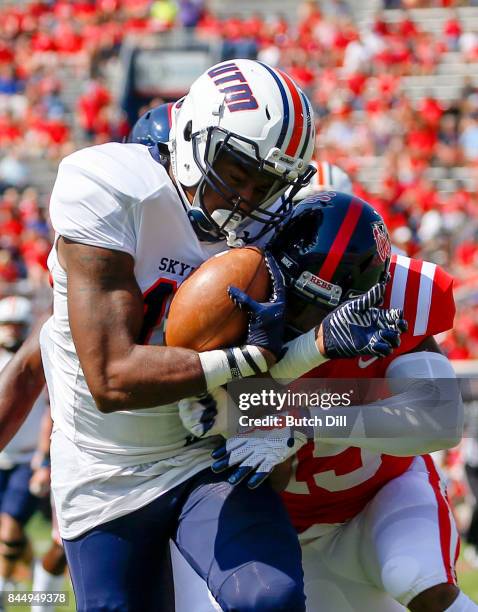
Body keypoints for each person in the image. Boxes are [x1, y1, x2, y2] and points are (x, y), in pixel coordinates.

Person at [39, 58, 405, 612]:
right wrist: (260, 361)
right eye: (236, 173)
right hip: (103, 468)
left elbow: (428, 409)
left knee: (270, 598)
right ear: (192, 135)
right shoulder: (110, 187)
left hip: (203, 454)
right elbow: (111, 380)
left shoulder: (296, 238)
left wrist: (299, 395)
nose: (245, 199)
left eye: (267, 184)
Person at [182, 192, 470, 611]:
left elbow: (441, 417)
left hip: (381, 495)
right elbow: (199, 415)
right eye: (299, 301)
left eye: (325, 307)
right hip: (281, 526)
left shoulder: (396, 303)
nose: (306, 321)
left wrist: (310, 419)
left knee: (419, 578)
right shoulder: (235, 295)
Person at [0, 297, 47, 610]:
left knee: (9, 527)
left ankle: (3, 595)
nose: (13, 331)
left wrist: (43, 457)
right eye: (8, 324)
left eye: (18, 325)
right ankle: (24, 566)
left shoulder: (40, 359)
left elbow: (49, 410)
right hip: (2, 454)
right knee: (8, 535)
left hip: (26, 458)